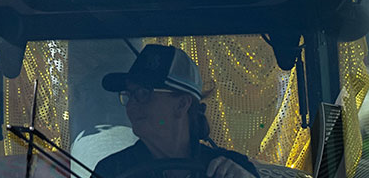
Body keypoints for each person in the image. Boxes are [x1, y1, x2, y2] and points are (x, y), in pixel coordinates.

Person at [94, 45, 258, 178]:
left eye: (143, 93)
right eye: (129, 95)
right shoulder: (111, 170)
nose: (130, 105)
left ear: (181, 104)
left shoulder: (231, 170)